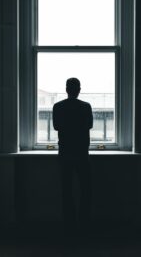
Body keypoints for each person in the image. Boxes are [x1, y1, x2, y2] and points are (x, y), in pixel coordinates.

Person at [53, 78, 93, 235]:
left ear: (66, 89)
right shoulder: (85, 107)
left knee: (66, 190)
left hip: (65, 152)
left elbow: (56, 126)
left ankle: (69, 225)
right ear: (79, 90)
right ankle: (84, 224)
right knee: (86, 189)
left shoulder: (58, 107)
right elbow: (89, 125)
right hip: (81, 152)